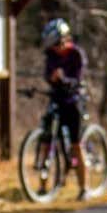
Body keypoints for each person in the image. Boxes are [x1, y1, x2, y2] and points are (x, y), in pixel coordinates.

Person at [42, 17, 90, 199]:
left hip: (73, 101)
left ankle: (83, 188)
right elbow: (47, 75)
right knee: (47, 138)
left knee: (76, 146)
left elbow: (77, 79)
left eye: (56, 44)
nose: (54, 48)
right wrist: (52, 78)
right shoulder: (50, 55)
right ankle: (43, 186)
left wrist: (65, 79)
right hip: (56, 100)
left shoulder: (76, 54)